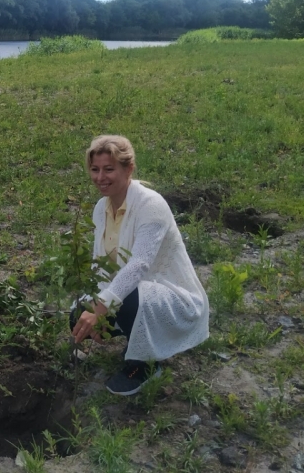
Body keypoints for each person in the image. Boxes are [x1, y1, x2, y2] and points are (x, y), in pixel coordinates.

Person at [71, 135, 209, 396]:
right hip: (131, 292)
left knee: (128, 297)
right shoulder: (101, 208)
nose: (100, 177)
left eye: (109, 169)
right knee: (77, 317)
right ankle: (130, 332)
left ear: (128, 169)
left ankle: (143, 365)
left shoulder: (150, 205)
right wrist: (91, 307)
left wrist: (100, 309)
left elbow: (139, 266)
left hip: (169, 294)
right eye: (95, 169)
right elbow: (102, 263)